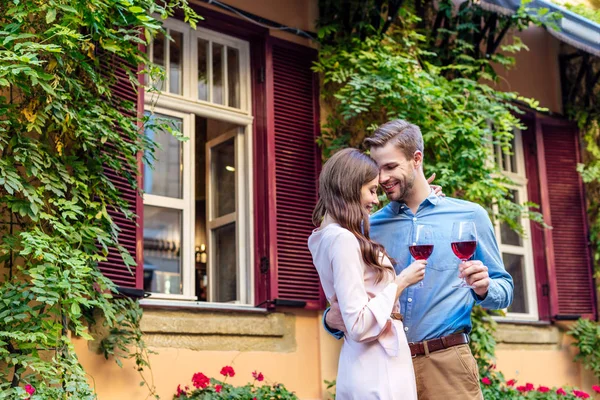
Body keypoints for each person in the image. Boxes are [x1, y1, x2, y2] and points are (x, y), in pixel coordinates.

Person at [324, 119, 514, 400]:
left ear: (416, 159)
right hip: (384, 365)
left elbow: (505, 290)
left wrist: (486, 288)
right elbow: (347, 299)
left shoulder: (469, 216)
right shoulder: (368, 227)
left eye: (391, 167)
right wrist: (331, 320)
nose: (383, 177)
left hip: (447, 365)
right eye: (378, 169)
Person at [308, 148, 427, 400]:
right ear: (350, 188)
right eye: (371, 190)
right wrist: (400, 282)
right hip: (377, 363)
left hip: (368, 359)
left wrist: (421, 200)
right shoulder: (342, 239)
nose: (376, 199)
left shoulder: (325, 236)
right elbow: (359, 324)